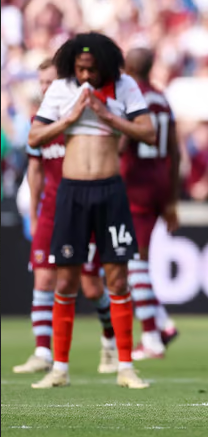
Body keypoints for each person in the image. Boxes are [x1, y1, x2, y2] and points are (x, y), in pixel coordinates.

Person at [27, 32, 156, 389]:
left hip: (110, 191)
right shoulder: (62, 88)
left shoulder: (124, 85)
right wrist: (68, 120)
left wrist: (105, 115)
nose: (86, 77)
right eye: (80, 69)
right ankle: (60, 368)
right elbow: (34, 138)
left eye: (92, 70)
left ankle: (126, 366)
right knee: (66, 280)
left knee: (117, 278)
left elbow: (148, 132)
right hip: (72, 192)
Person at [13, 59, 119, 376]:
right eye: (41, 83)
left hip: (83, 209)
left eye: (49, 82)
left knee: (90, 287)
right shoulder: (39, 122)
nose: (44, 88)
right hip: (50, 211)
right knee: (44, 278)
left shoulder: (83, 120)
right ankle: (43, 352)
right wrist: (33, 214)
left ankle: (110, 337)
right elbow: (35, 171)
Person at [121, 47, 180, 360]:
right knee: (129, 262)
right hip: (159, 182)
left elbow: (122, 143)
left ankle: (151, 339)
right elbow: (175, 150)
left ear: (126, 67)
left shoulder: (130, 98)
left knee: (133, 262)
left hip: (135, 184)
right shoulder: (160, 98)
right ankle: (164, 324)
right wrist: (172, 200)